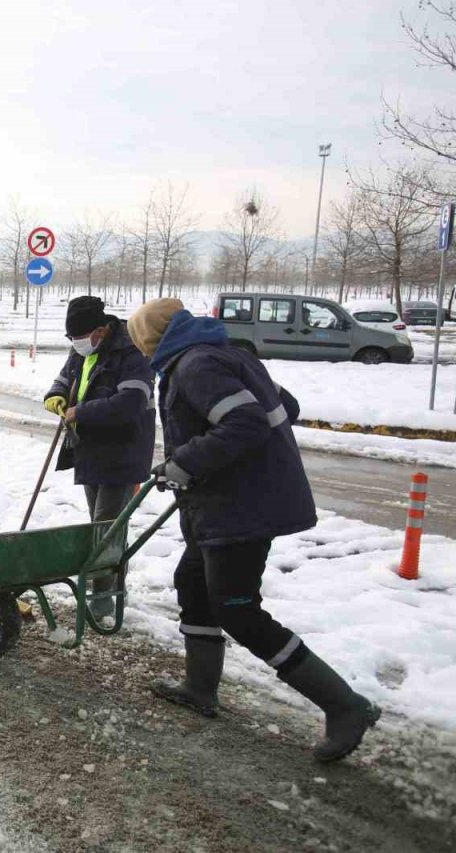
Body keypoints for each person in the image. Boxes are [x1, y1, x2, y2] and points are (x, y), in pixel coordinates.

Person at [127, 298, 379, 762]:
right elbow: (286, 406)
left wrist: (186, 460)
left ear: (152, 338)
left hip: (240, 509)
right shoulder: (225, 353)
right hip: (225, 503)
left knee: (239, 611)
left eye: (140, 341)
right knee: (193, 582)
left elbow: (246, 423)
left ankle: (346, 706)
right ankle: (200, 688)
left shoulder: (195, 365)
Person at [42, 296, 155, 621]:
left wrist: (81, 411)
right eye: (71, 339)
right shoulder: (82, 349)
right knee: (100, 525)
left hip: (123, 452)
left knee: (107, 527)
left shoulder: (132, 352)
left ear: (102, 330)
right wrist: (56, 397)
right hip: (90, 450)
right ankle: (108, 588)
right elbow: (65, 378)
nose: (75, 344)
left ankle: (104, 597)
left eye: (79, 338)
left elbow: (131, 402)